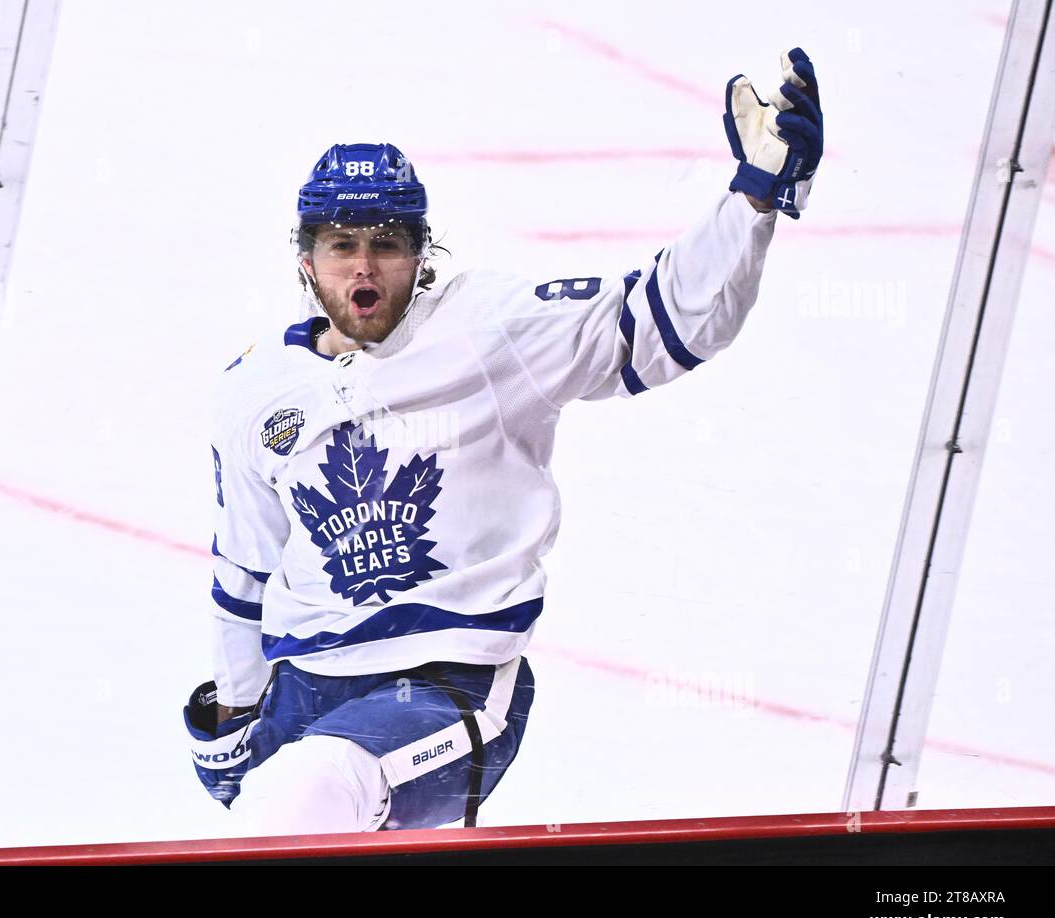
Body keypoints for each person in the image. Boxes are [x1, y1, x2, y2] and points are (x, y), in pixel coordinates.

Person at [185, 49, 823, 834]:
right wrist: (236, 705)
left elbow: (664, 321)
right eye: (341, 246)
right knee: (263, 823)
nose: (363, 266)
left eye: (385, 244)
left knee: (308, 797)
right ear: (307, 259)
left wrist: (753, 200)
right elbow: (244, 568)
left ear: (421, 254)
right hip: (305, 684)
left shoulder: (491, 329)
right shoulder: (254, 389)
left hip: (446, 684)